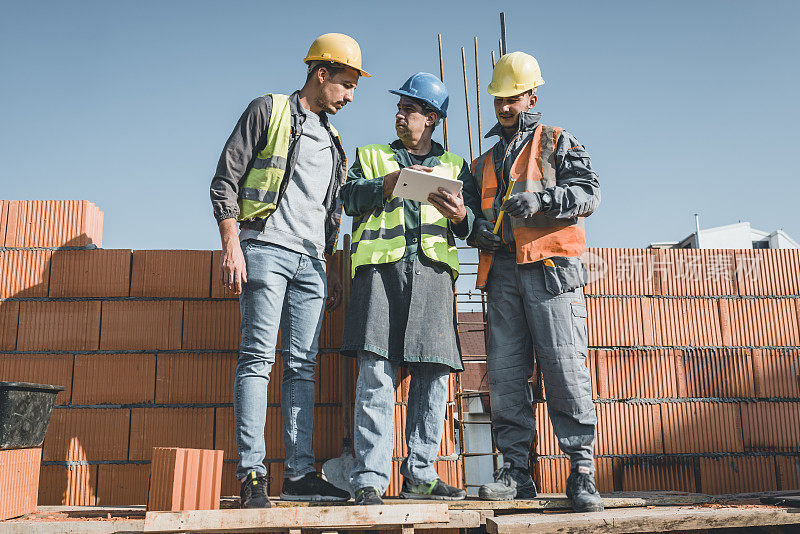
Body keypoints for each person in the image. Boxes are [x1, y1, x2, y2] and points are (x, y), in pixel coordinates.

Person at [209, 33, 369, 508]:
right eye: (345, 85)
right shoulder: (270, 110)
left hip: (312, 264)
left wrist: (332, 269)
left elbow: (331, 214)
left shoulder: (336, 141)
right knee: (258, 358)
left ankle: (299, 475)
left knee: (302, 367)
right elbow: (226, 178)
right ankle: (252, 474)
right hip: (265, 249)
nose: (349, 97)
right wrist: (231, 245)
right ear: (321, 75)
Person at [461, 52, 604, 512]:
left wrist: (541, 200)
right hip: (502, 272)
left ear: (531, 97)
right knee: (504, 377)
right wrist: (472, 229)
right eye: (500, 98)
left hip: (549, 271)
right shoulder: (481, 161)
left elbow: (589, 193)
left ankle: (581, 472)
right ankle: (516, 473)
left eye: (513, 97)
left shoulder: (556, 140)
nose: (505, 105)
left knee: (564, 369)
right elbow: (465, 214)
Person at [340, 73, 471, 505]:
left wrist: (460, 216)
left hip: (433, 276)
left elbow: (475, 228)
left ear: (431, 118)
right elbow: (348, 198)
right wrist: (387, 183)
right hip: (381, 273)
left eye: (410, 108)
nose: (400, 114)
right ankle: (370, 479)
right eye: (400, 107)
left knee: (434, 373)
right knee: (376, 372)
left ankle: (420, 473)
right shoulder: (372, 156)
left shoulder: (455, 166)